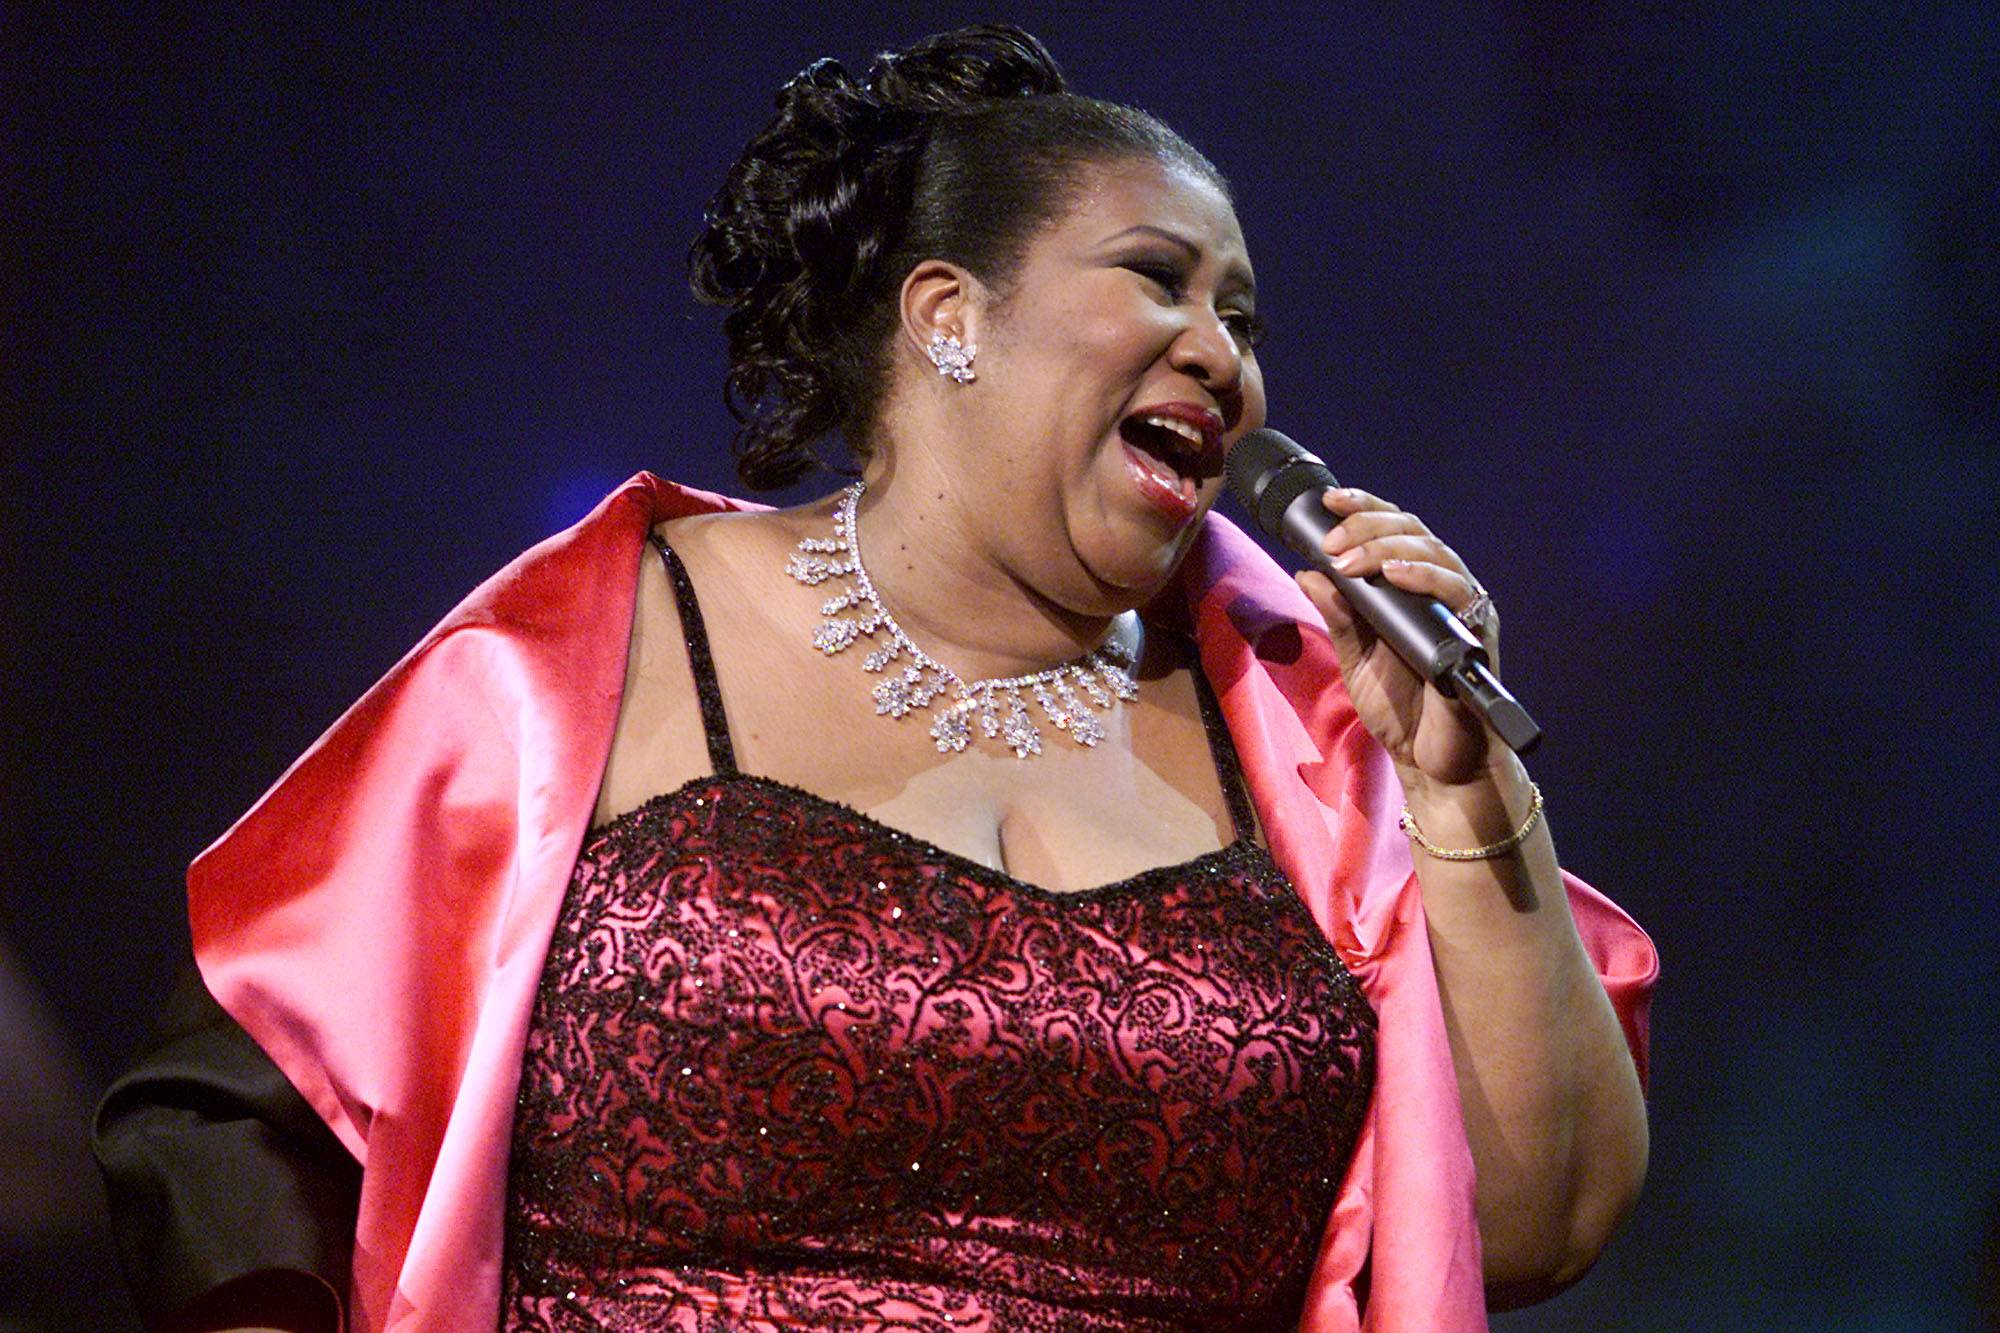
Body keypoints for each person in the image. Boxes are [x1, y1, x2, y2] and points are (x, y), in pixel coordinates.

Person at [94, 24, 1656, 1333]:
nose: (1222, 356)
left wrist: (1465, 786)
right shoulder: (599, 647)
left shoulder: (1313, 737)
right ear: (948, 315)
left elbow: (1537, 1223)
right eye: (1159, 278)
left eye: (1240, 319)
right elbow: (241, 1100)